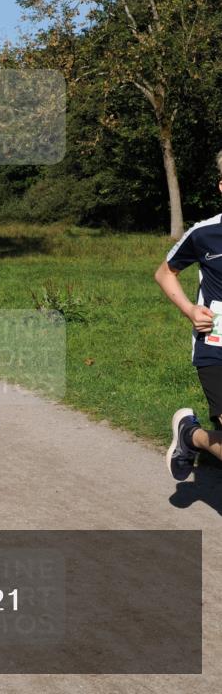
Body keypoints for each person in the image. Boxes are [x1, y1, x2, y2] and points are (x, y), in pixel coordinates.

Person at [156, 150, 222, 480]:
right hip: (215, 347)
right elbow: (165, 273)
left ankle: (191, 436)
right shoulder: (203, 234)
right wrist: (190, 310)